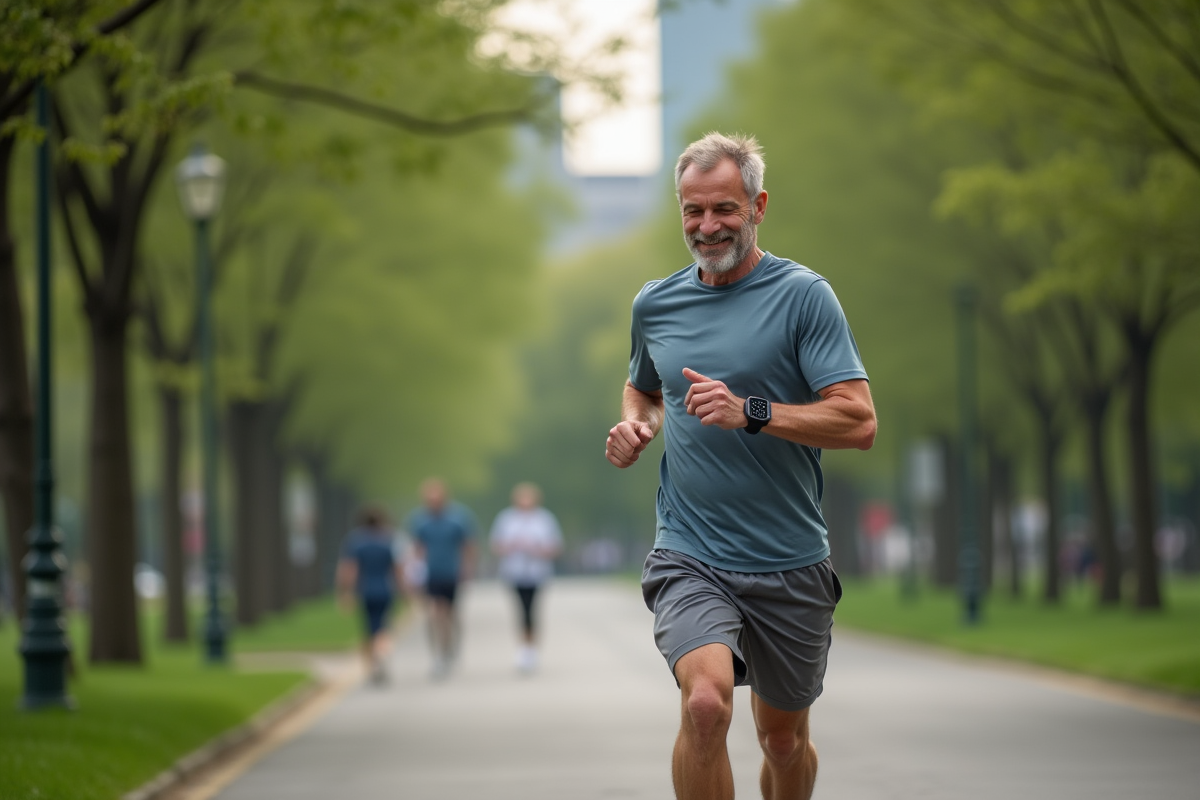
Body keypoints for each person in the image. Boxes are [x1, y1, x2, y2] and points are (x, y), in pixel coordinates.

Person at [605, 132, 876, 800]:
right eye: (692, 211)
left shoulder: (804, 297)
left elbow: (859, 420)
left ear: (758, 205)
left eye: (723, 209)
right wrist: (641, 423)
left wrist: (752, 412)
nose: (706, 226)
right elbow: (645, 384)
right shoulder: (655, 303)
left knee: (783, 743)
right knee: (704, 707)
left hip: (789, 559)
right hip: (691, 551)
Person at [489, 482, 563, 674]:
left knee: (532, 610)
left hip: (537, 573)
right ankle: (524, 647)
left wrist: (537, 549)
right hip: (514, 572)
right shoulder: (506, 519)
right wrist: (512, 546)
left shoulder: (545, 519)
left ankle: (530, 648)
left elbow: (555, 547)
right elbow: (496, 545)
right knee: (521, 610)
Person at [406, 478, 476, 679]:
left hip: (452, 573)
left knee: (451, 615)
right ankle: (438, 654)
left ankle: (451, 647)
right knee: (434, 614)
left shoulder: (459, 518)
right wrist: (413, 573)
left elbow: (468, 545)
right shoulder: (420, 519)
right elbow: (417, 548)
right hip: (430, 574)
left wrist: (468, 569)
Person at [336, 506, 404, 685]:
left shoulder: (355, 541)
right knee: (383, 627)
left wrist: (345, 592)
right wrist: (403, 588)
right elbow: (397, 569)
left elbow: (350, 569)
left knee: (368, 629)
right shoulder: (388, 540)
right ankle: (381, 654)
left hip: (365, 591)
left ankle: (371, 665)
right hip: (385, 590)